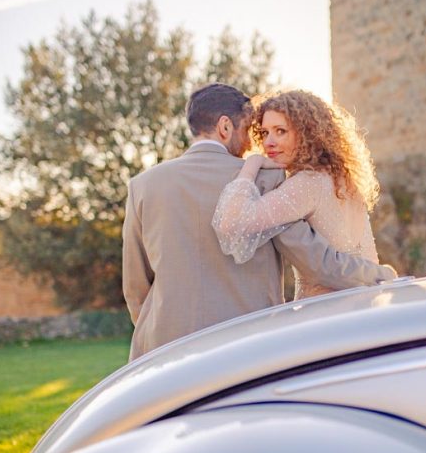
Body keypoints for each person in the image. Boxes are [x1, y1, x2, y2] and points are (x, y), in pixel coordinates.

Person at [123, 83, 396, 361]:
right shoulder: (266, 178)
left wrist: (157, 326)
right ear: (225, 127)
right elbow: (313, 259)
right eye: (251, 131)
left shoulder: (142, 185)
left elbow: (135, 286)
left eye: (276, 132)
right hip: (247, 344)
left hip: (161, 348)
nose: (254, 145)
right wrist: (380, 274)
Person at [212, 89, 388, 300]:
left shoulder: (306, 183)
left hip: (326, 311)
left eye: (280, 131)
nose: (269, 143)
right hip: (367, 301)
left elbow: (232, 223)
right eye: (265, 133)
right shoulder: (342, 178)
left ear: (307, 133)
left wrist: (251, 165)